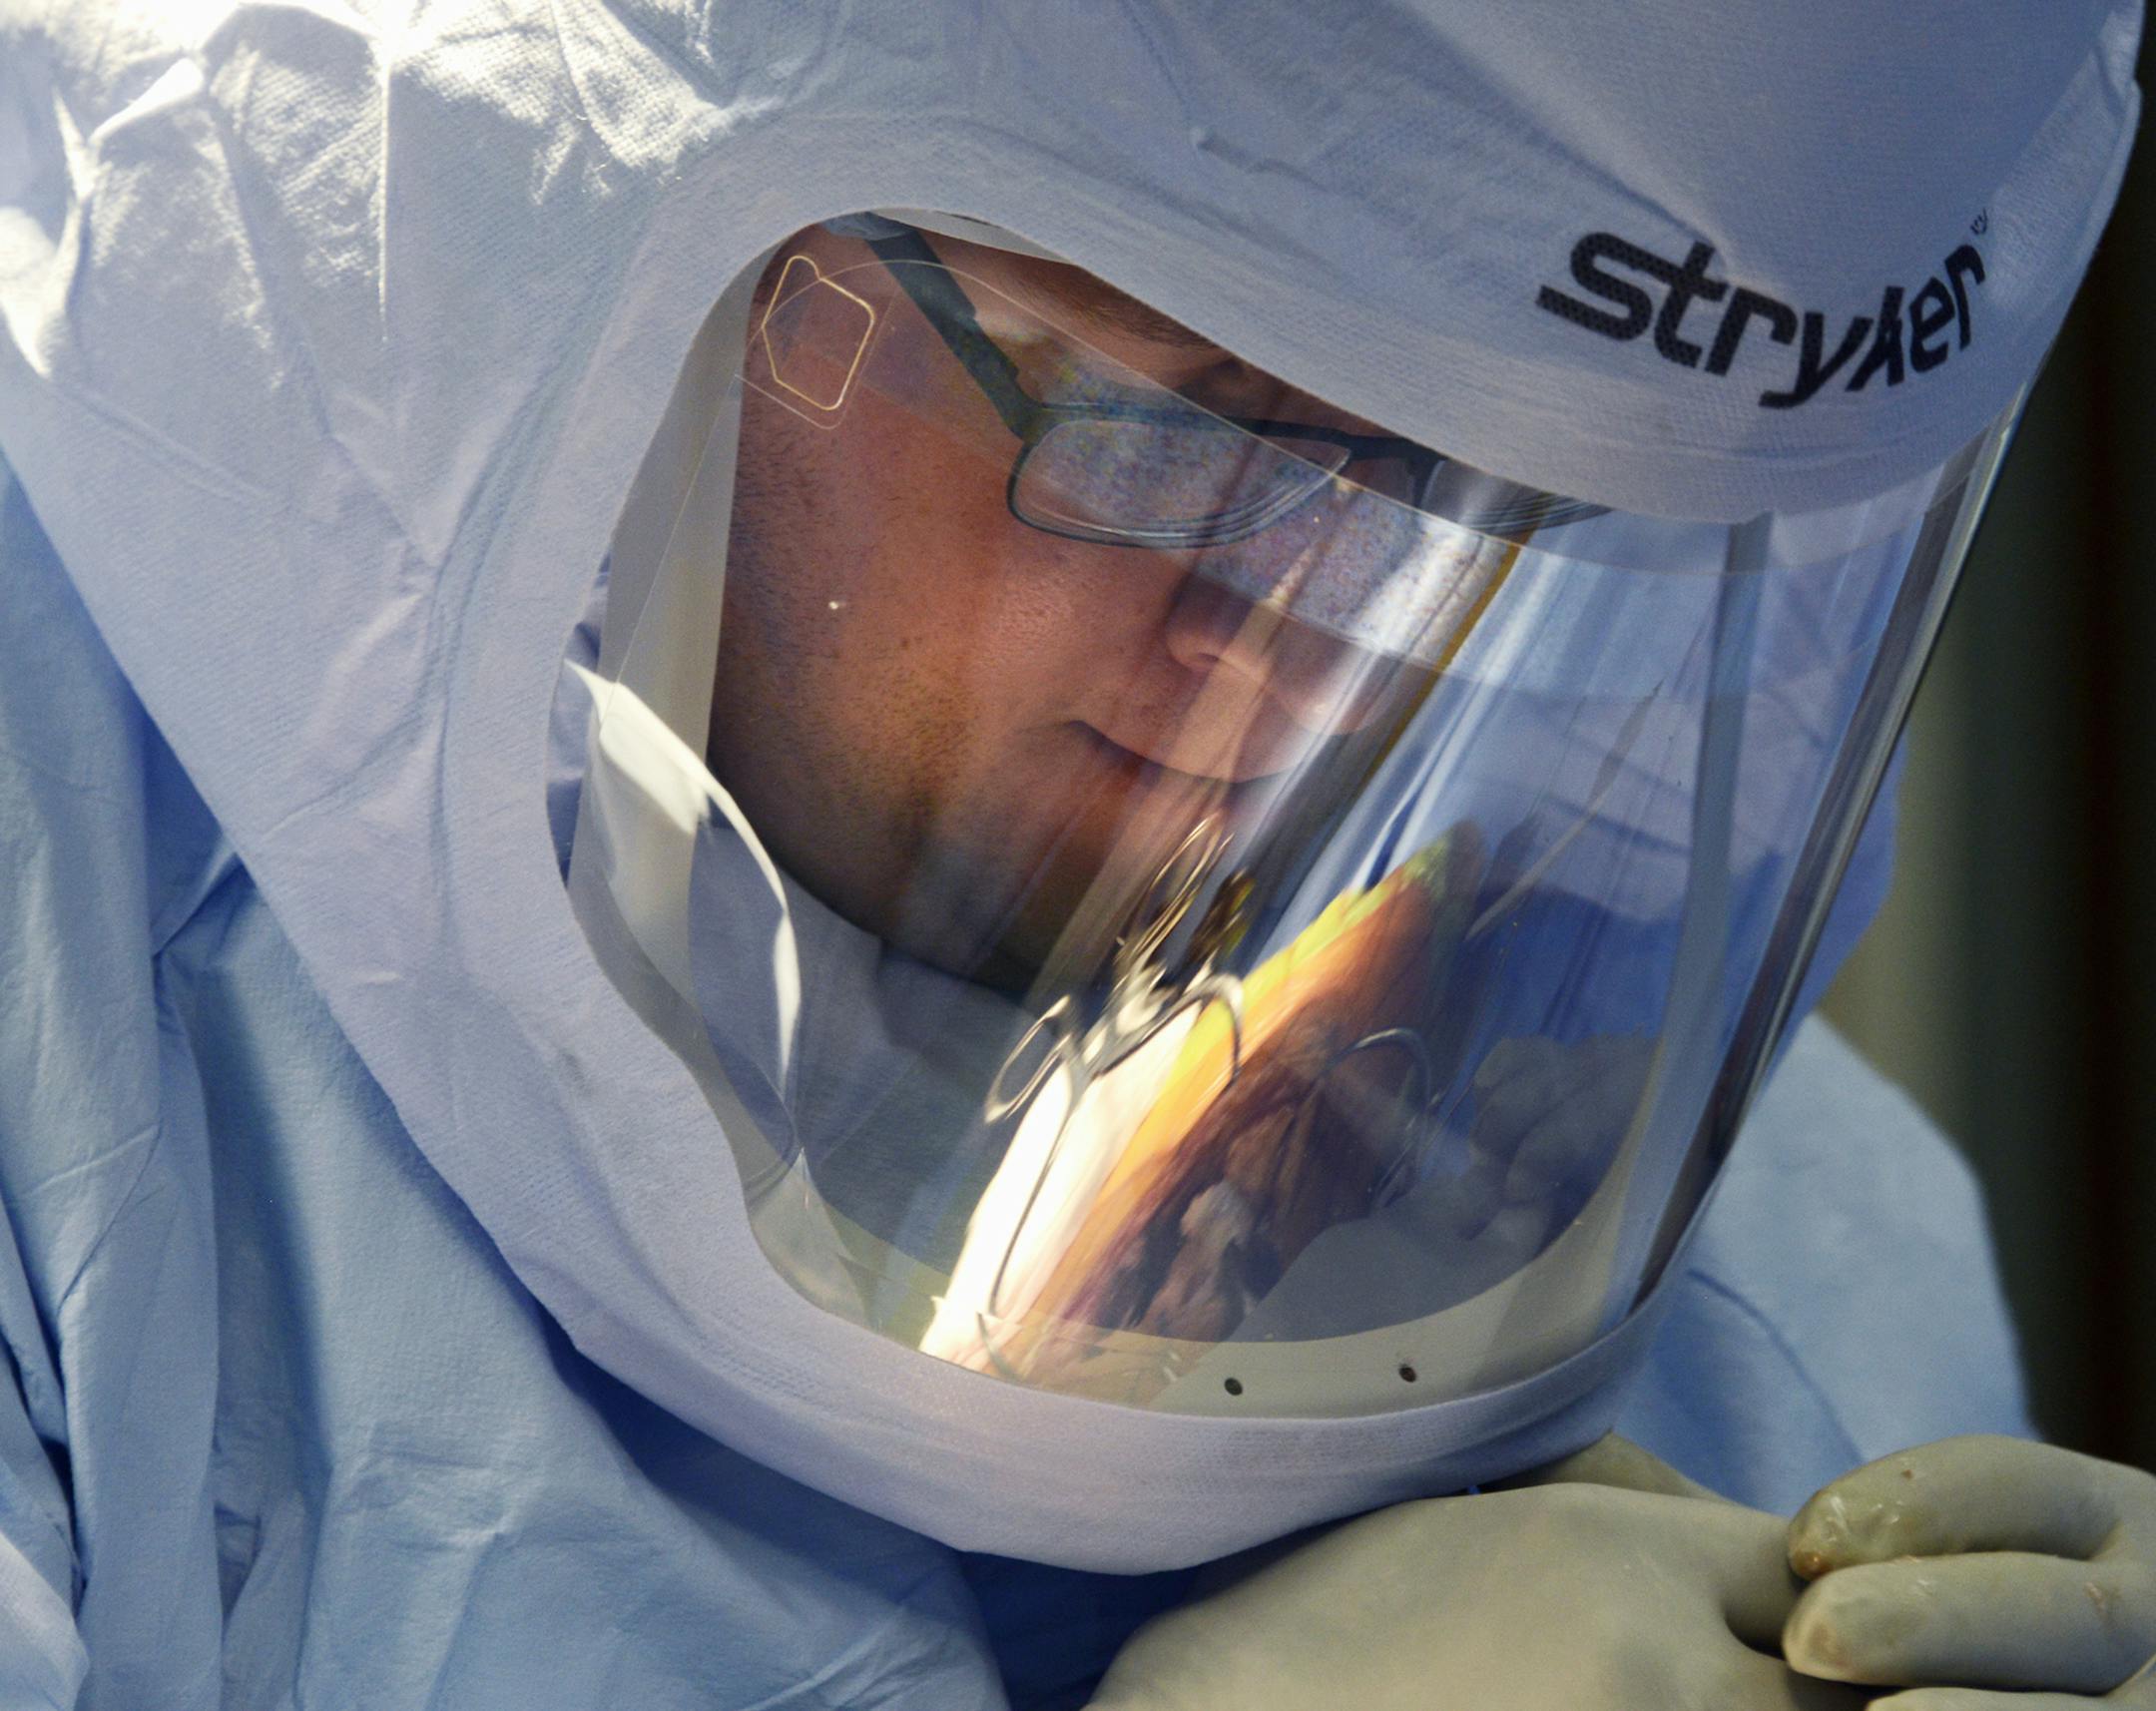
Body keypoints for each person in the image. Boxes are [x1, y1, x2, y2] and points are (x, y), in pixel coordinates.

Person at [0, 2, 2143, 1709]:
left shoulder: (1762, 1253)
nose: (1300, 647)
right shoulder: (73, 991)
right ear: (721, 274)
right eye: (1172, 440)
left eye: (1468, 521)